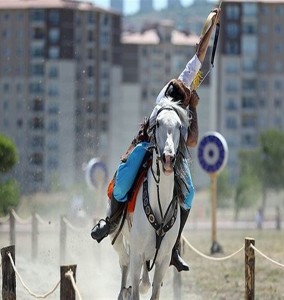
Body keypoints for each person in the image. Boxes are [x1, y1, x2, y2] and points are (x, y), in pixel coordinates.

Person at [91, 8, 221, 272]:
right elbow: (195, 58)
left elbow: (200, 54)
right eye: (185, 99)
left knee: (190, 193)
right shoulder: (169, 96)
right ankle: (110, 221)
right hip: (151, 147)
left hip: (177, 154)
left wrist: (211, 25)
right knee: (123, 179)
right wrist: (189, 104)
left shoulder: (188, 102)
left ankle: (173, 248)